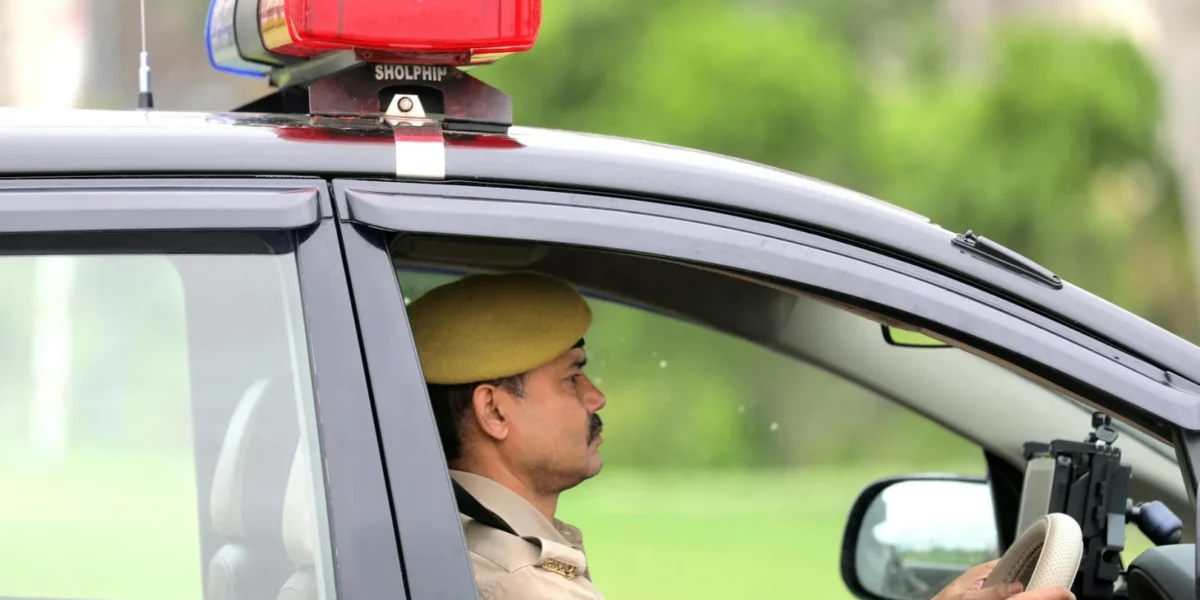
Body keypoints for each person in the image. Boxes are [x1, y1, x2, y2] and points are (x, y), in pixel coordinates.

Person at [407, 271, 1077, 600]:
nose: (597, 396)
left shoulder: (464, 548)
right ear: (495, 413)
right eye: (573, 377)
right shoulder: (516, 582)